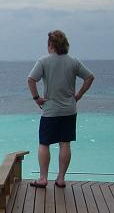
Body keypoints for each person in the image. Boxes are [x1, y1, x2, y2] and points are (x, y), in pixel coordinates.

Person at [27, 30, 95, 188]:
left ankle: (43, 178)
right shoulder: (73, 61)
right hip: (69, 110)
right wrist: (79, 95)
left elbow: (31, 79)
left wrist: (36, 98)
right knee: (65, 143)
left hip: (50, 111)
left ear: (51, 44)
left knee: (44, 143)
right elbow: (90, 77)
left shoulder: (44, 61)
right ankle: (61, 178)